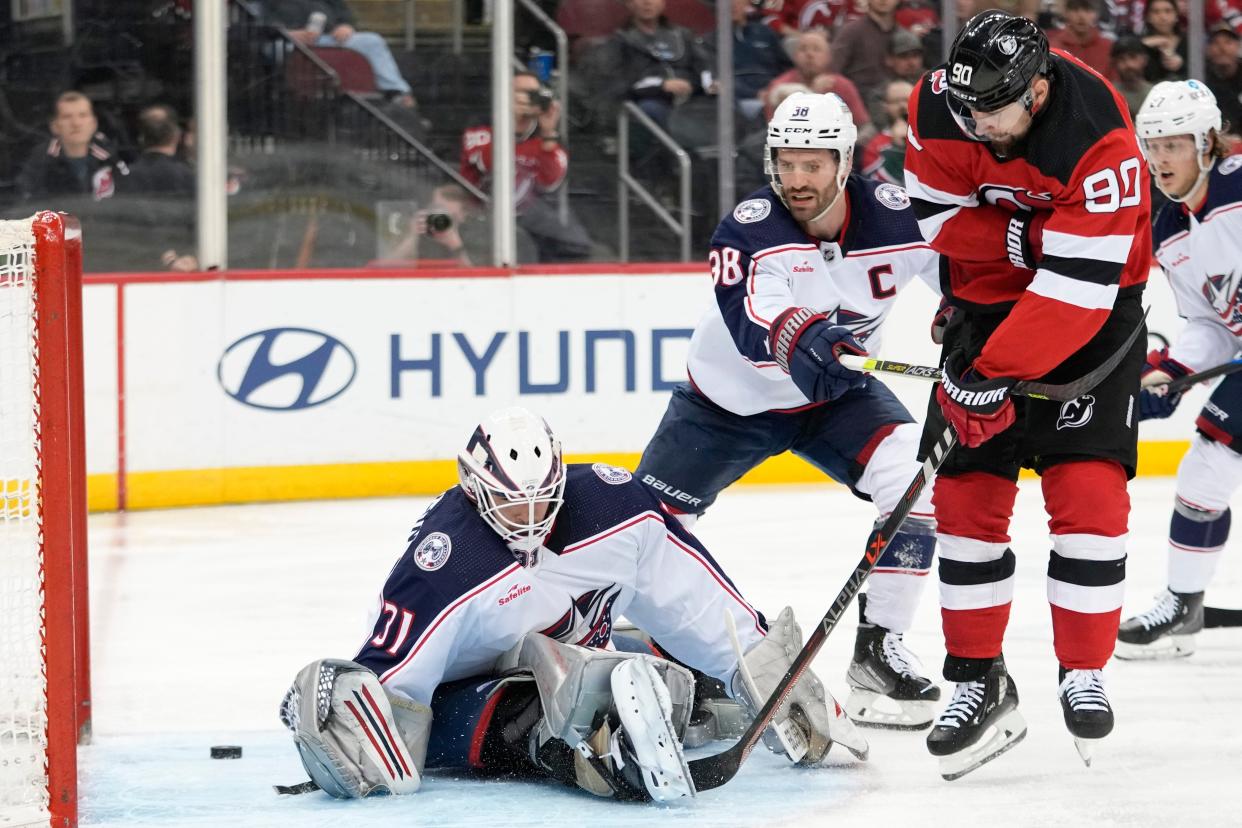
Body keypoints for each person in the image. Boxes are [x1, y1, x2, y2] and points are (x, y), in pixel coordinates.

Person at [278, 407, 867, 802]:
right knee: (520, 712)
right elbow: (393, 694)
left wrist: (765, 669)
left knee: (666, 678)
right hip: (483, 689)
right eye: (514, 506)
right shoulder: (444, 565)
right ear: (473, 489)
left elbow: (692, 600)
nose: (533, 520)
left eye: (545, 501)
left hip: (586, 647)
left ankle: (663, 695)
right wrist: (354, 726)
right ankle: (571, 744)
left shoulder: (620, 507)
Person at [636, 91, 943, 732]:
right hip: (726, 405)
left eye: (813, 164)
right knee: (641, 527)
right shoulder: (749, 229)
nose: (796, 180)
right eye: (786, 162)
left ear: (844, 161)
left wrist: (963, 318)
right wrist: (803, 338)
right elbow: (757, 320)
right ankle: (639, 647)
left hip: (838, 399)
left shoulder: (896, 219)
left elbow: (963, 277)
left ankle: (878, 651)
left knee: (914, 488)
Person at [903, 10, 1150, 778]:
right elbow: (938, 220)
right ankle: (977, 680)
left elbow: (1075, 294)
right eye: (968, 110)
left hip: (1096, 318)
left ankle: (1083, 668)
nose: (979, 128)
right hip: (984, 313)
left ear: (1038, 89)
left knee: (1090, 499)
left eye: (996, 112)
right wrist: (1026, 239)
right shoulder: (938, 104)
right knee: (966, 508)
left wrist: (990, 374)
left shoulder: (1099, 139)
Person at [1116, 81, 1241, 660]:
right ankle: (1183, 603)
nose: (1160, 159)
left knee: (1208, 468)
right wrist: (1171, 369)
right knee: (1204, 474)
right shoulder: (1168, 230)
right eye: (1153, 145)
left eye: (1174, 145)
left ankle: (1183, 602)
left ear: (1207, 142)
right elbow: (1213, 324)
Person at [460, 72, 592, 263]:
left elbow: (550, 182)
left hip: (532, 217)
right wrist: (509, 122)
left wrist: (548, 131)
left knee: (573, 243)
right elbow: (489, 165)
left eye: (533, 93)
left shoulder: (547, 137)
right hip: (482, 216)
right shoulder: (480, 128)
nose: (528, 99)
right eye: (521, 92)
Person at [264, 0, 417, 108]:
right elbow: (259, 22)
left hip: (326, 38)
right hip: (286, 40)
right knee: (277, 49)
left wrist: (345, 26)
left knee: (372, 41)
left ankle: (397, 92)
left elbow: (344, 14)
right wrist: (287, 34)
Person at [118, 104, 198, 272]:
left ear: (141, 138)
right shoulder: (189, 177)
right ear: (176, 136)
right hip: (185, 263)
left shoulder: (126, 177)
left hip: (138, 266)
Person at [16, 91, 127, 203]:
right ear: (55, 126)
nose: (76, 123)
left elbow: (127, 197)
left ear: (93, 124)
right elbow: (27, 200)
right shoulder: (41, 161)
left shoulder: (110, 158)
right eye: (67, 117)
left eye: (83, 115)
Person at [760, 30, 871, 139]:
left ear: (829, 57)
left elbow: (863, 125)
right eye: (803, 49)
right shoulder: (779, 86)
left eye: (816, 49)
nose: (810, 54)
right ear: (794, 56)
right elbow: (773, 129)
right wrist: (812, 92)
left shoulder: (843, 85)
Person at [829, 0, 901, 103]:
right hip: (858, 99)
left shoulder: (902, 34)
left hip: (894, 98)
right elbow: (833, 70)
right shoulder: (851, 31)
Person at [862, 79, 913, 184]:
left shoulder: (930, 138)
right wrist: (898, 148)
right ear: (886, 106)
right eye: (896, 101)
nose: (902, 106)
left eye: (907, 100)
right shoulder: (875, 145)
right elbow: (874, 186)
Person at [1046, 0, 1112, 79]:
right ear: (1066, 13)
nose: (1081, 16)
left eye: (1087, 10)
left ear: (1096, 14)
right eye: (1075, 10)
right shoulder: (1053, 46)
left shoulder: (1107, 47)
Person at [1205, 22, 1242, 142]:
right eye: (1216, 43)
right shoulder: (1201, 77)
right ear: (1208, 49)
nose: (1222, 48)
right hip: (1212, 143)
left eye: (1228, 42)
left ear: (1238, 46)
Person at [1139, 0, 1186, 83]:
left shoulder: (1187, 42)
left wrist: (1182, 64)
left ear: (1176, 16)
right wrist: (1145, 44)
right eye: (1156, 12)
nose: (1162, 17)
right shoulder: (1139, 43)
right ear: (1148, 17)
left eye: (1168, 11)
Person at [1110, 34, 1154, 119]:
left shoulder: (1156, 94)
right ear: (1114, 63)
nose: (1128, 64)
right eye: (1121, 59)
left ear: (1144, 59)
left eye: (1133, 57)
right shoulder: (1109, 95)